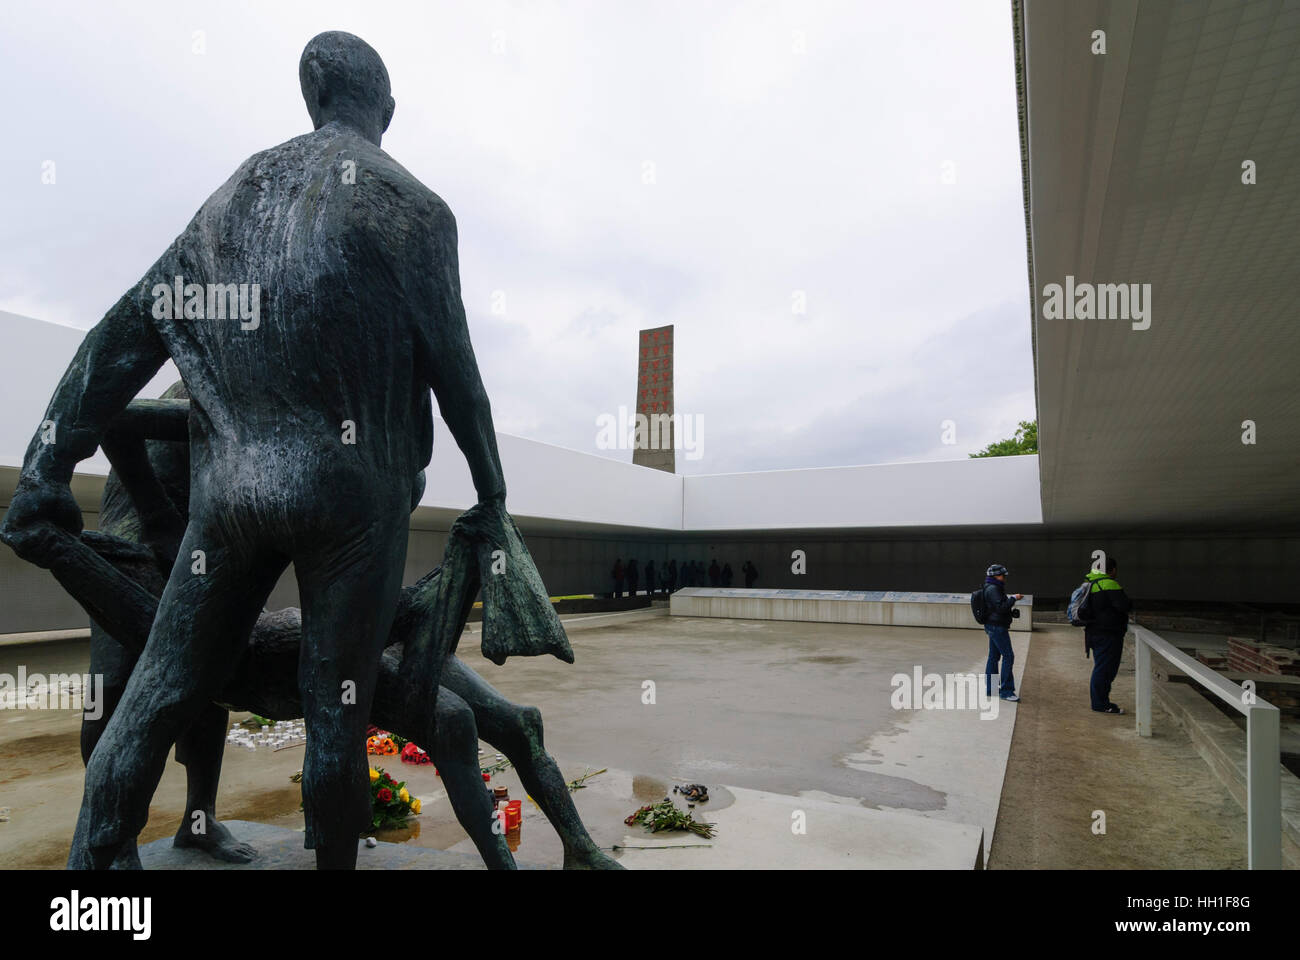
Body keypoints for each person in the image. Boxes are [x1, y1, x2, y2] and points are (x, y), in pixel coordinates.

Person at [1, 32, 514, 870]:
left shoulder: (232, 197)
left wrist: (46, 468)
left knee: (161, 692)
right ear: (383, 104)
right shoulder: (415, 208)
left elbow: (120, 339)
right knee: (337, 714)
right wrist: (492, 495)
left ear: (311, 98)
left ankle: (89, 887)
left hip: (232, 498)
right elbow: (459, 375)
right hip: (353, 501)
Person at [1084, 558, 1132, 715]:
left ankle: (1100, 701)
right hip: (1108, 634)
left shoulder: (1090, 583)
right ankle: (1100, 703)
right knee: (1104, 670)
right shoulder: (1109, 584)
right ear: (1112, 570)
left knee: (1101, 668)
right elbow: (1124, 605)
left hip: (1094, 633)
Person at [981, 563, 1022, 702]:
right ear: (995, 576)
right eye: (1002, 575)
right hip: (997, 627)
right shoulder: (993, 589)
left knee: (993, 657)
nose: (1004, 577)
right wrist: (1013, 599)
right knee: (1008, 656)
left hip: (993, 626)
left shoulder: (991, 587)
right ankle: (1006, 691)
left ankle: (991, 689)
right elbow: (1001, 608)